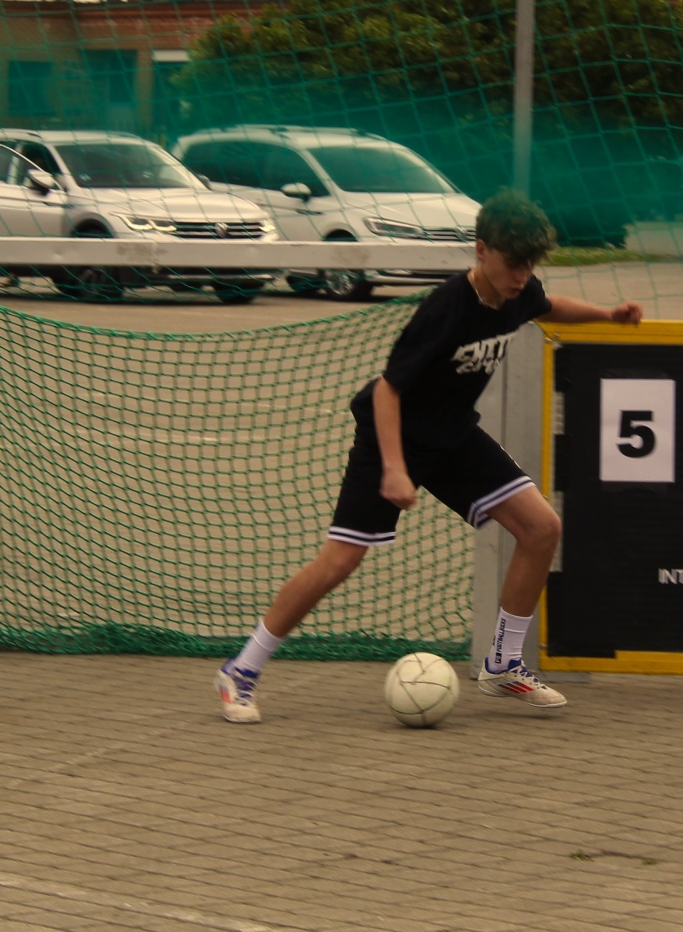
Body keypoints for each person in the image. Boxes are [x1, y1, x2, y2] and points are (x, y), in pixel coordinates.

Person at [215, 191, 642, 723]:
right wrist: (395, 469)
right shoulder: (445, 310)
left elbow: (547, 306)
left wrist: (608, 315)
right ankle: (241, 670)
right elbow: (387, 391)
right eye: (513, 263)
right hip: (394, 439)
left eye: (530, 265)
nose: (522, 276)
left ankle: (503, 663)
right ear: (482, 250)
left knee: (541, 528)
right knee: (339, 562)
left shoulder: (519, 290)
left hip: (453, 436)